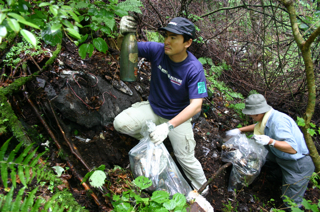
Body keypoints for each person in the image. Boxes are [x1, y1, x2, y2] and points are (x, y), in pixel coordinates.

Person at [113, 16, 209, 194]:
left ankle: (203, 189)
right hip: (153, 108)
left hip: (176, 118)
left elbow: (196, 106)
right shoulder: (157, 50)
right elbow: (124, 49)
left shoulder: (194, 69)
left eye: (174, 37)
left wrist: (168, 126)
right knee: (121, 123)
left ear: (187, 42)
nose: (167, 41)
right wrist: (124, 33)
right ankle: (155, 145)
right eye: (166, 36)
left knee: (185, 157)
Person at [226, 94, 315, 209]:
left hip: (297, 165)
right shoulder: (267, 117)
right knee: (260, 153)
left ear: (258, 113)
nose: (250, 116)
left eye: (251, 114)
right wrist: (239, 130)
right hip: (281, 156)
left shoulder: (278, 123)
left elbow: (292, 149)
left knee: (290, 201)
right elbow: (258, 125)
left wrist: (271, 141)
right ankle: (276, 175)